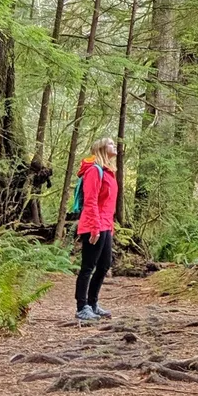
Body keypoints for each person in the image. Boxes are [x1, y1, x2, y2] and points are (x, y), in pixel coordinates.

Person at [74, 136, 118, 323]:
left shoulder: (109, 172)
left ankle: (93, 304)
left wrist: (110, 227)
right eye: (110, 143)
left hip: (106, 225)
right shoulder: (94, 171)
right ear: (101, 148)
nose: (114, 146)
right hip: (94, 225)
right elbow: (91, 201)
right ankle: (81, 307)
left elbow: (109, 204)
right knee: (88, 267)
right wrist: (94, 228)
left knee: (104, 265)